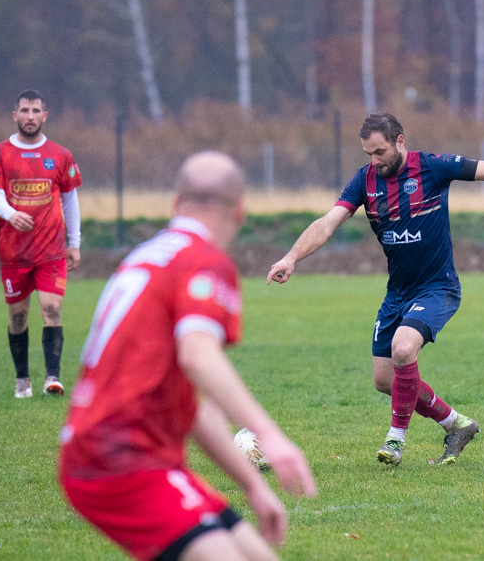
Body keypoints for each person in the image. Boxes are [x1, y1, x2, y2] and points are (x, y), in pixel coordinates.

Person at [267, 112, 484, 466]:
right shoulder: (365, 181)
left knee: (403, 348)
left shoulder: (433, 167)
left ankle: (395, 440)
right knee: (384, 379)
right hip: (398, 294)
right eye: (368, 154)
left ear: (400, 141)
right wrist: (291, 258)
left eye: (380, 152)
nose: (374, 161)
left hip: (438, 287)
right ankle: (456, 424)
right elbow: (328, 223)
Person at [58, 152, 317, 561]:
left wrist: (253, 486)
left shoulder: (144, 256)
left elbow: (194, 403)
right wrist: (269, 435)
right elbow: (199, 356)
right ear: (240, 212)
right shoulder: (204, 262)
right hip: (119, 457)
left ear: (176, 204)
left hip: (128, 455)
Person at [0, 89, 82, 398]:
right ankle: (22, 380)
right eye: (24, 110)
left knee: (51, 309)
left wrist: (75, 241)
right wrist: (11, 215)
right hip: (14, 252)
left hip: (51, 250)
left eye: (35, 110)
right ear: (15, 115)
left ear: (44, 116)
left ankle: (52, 377)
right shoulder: (0, 153)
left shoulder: (60, 154)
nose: (29, 116)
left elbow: (70, 200)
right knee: (18, 316)